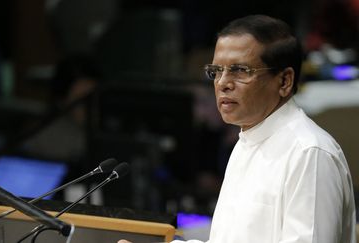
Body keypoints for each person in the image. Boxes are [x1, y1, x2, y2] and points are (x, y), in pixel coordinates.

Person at [119, 14, 356, 243]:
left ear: (284, 81)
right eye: (216, 71)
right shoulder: (247, 141)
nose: (222, 83)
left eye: (240, 71)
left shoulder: (309, 154)